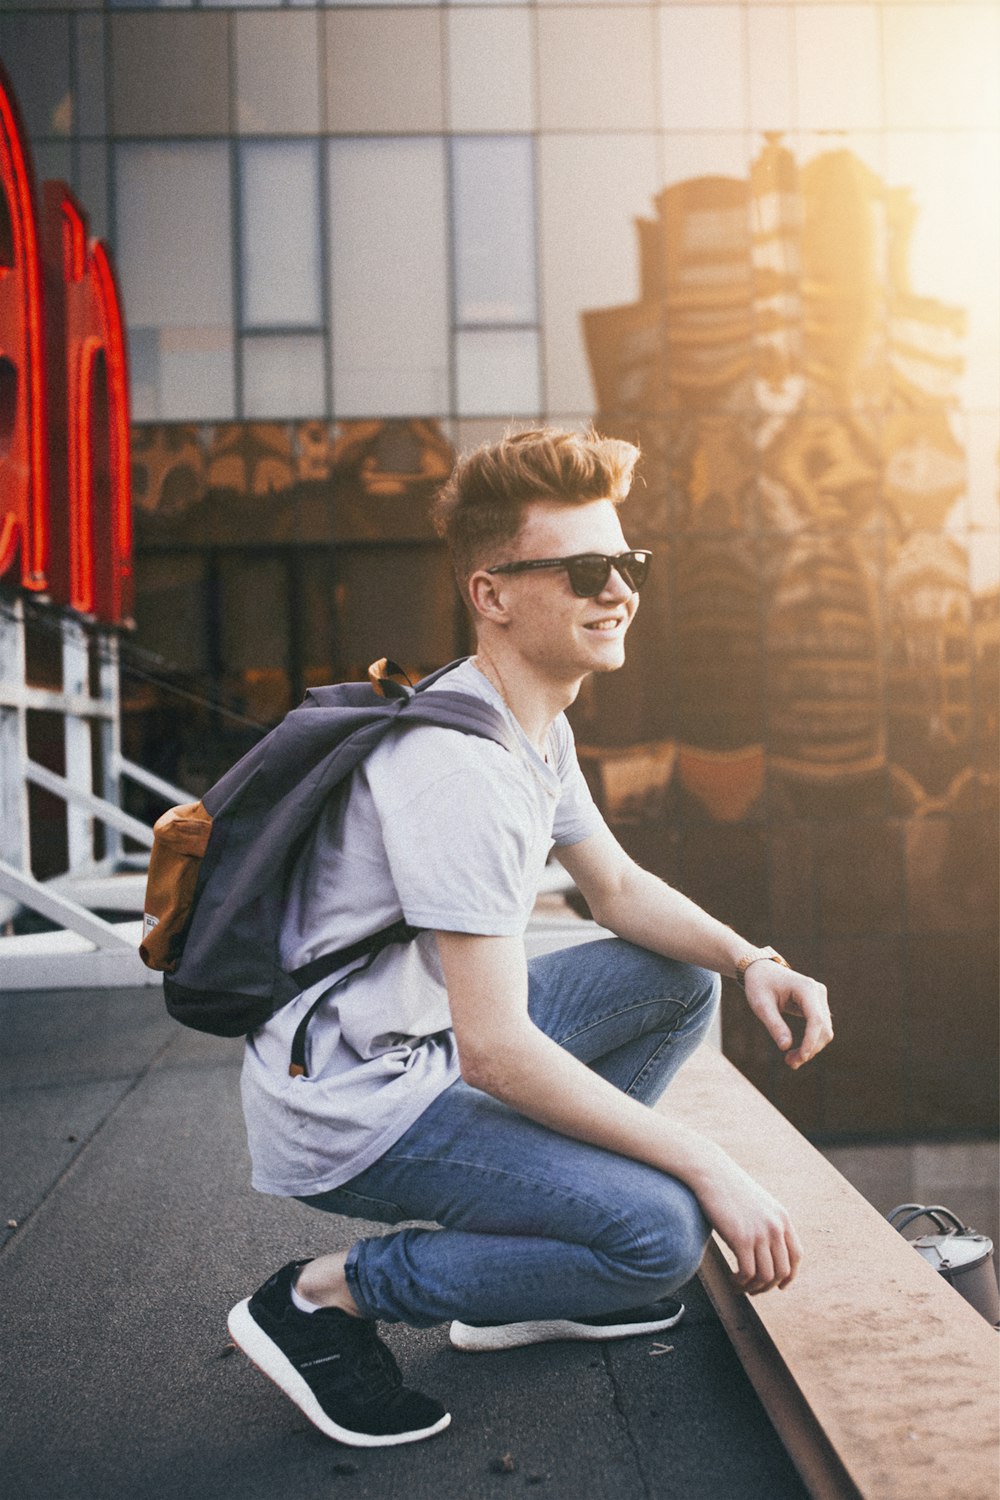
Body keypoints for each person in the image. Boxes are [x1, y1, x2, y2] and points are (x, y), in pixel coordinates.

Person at [227, 427, 833, 1449]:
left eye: (627, 565)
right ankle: (324, 1299)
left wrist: (751, 960)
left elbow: (619, 889)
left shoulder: (528, 721)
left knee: (677, 979)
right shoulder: (462, 773)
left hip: (415, 1050)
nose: (619, 591)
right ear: (492, 595)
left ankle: (523, 1266)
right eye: (585, 570)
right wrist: (706, 1167)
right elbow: (496, 1052)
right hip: (351, 1099)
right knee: (658, 1233)